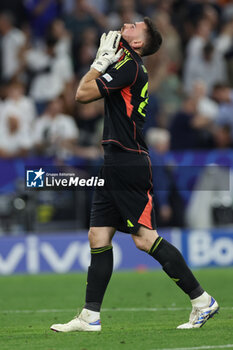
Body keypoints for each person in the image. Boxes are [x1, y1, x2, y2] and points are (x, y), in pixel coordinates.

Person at [50, 17, 219, 332]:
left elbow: (82, 94)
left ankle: (202, 300)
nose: (126, 24)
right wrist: (105, 61)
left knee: (144, 239)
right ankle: (90, 316)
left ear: (138, 42)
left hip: (128, 162)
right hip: (113, 160)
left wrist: (100, 62)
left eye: (134, 26)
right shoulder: (126, 63)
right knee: (98, 236)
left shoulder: (130, 66)